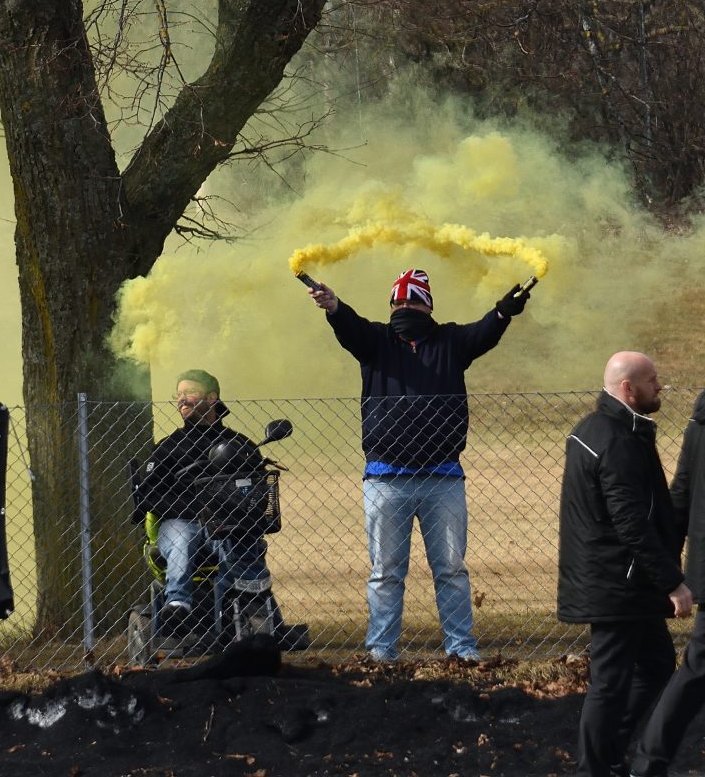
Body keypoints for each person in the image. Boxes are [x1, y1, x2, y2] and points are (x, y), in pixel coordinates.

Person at [308, 268, 529, 662]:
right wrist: (334, 306)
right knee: (386, 574)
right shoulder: (376, 341)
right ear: (391, 305)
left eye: (412, 302)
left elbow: (484, 331)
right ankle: (380, 654)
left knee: (451, 572)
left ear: (427, 306)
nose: (405, 307)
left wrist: (503, 312)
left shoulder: (451, 341)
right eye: (399, 302)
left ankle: (461, 652)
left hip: (442, 477)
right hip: (385, 478)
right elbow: (350, 326)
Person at [557, 351, 692, 777]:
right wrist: (673, 582)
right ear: (627, 389)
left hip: (622, 582)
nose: (660, 387)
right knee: (610, 684)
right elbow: (631, 522)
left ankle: (610, 752)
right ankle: (595, 768)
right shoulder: (615, 440)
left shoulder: (600, 430)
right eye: (652, 381)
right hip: (616, 584)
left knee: (653, 665)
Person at [134, 369, 267, 635]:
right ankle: (177, 605)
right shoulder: (168, 447)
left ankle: (246, 602)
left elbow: (258, 491)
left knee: (239, 540)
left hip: (223, 522)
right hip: (180, 521)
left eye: (189, 393)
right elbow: (149, 495)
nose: (182, 400)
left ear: (212, 398)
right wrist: (195, 509)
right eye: (179, 394)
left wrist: (230, 511)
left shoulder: (239, 445)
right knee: (182, 538)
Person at [628, 386, 705, 777]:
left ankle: (647, 763)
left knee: (697, 669)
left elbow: (682, 494)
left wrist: (669, 573)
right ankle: (647, 762)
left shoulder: (699, 423)